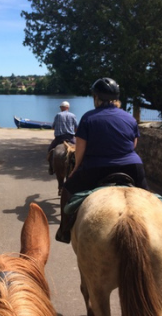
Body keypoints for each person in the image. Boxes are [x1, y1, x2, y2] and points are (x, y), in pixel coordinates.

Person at [55, 77, 148, 243]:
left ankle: (64, 231)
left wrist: (75, 170)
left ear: (96, 98)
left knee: (67, 190)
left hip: (96, 168)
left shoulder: (89, 118)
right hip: (133, 166)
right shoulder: (129, 118)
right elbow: (133, 145)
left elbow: (80, 150)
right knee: (150, 200)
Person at [47, 101, 78, 175]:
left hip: (59, 138)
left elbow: (53, 127)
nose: (60, 108)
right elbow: (76, 128)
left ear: (64, 107)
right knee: (79, 150)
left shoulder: (58, 115)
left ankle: (51, 167)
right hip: (70, 137)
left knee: (50, 150)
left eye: (61, 107)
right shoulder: (73, 115)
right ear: (68, 107)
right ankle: (79, 167)